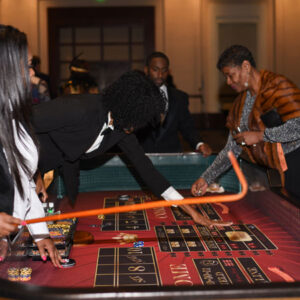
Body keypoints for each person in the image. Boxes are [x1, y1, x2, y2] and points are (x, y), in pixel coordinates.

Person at [32, 70, 231, 228]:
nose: (135, 128)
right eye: (137, 121)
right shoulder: (79, 108)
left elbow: (149, 172)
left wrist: (194, 214)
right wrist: (34, 171)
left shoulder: (121, 129)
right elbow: (20, 125)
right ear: (126, 107)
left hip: (40, 168)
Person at [191, 45, 300, 200]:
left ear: (246, 67)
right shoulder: (240, 104)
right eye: (226, 77)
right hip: (273, 171)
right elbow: (231, 148)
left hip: (296, 161)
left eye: (230, 75)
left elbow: (298, 126)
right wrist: (206, 178)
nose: (228, 82)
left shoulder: (279, 86)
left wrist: (261, 135)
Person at [0, 25, 63, 267]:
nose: (33, 73)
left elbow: (23, 183)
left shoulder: (16, 114)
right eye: (27, 64)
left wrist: (40, 232)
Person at [136, 52, 212, 155]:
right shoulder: (136, 96)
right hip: (141, 158)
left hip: (172, 158)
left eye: (164, 70)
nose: (160, 75)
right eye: (155, 70)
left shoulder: (179, 97)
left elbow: (187, 127)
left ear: (169, 71)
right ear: (146, 70)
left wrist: (199, 144)